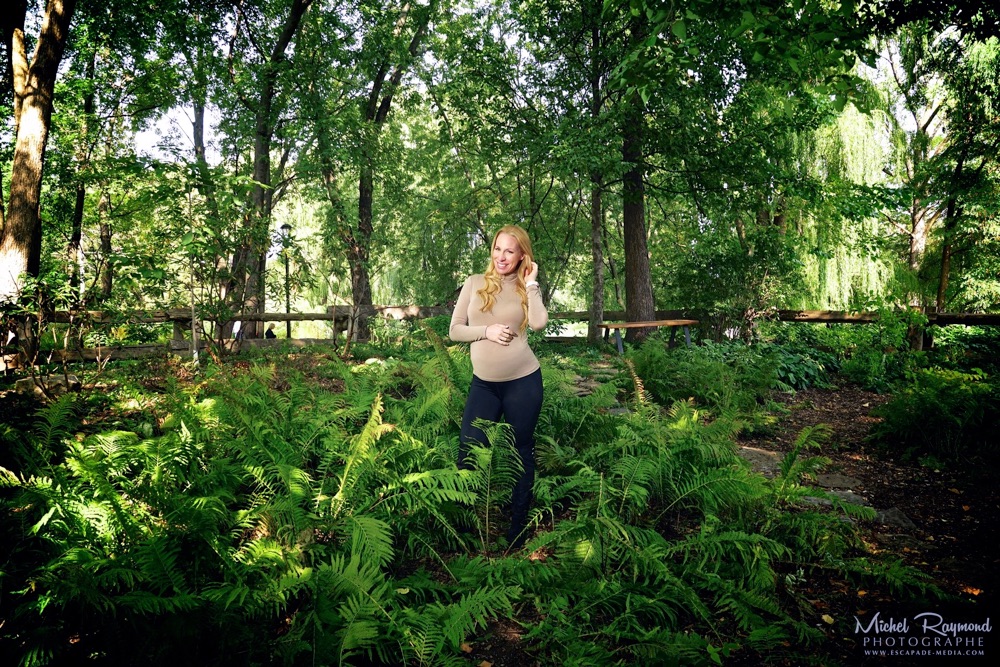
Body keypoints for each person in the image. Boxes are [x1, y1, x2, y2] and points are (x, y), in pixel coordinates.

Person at [449, 225, 548, 550]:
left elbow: (538, 324)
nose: (502, 256)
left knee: (520, 452)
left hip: (523, 382)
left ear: (522, 255)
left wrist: (532, 284)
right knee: (468, 450)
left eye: (510, 250)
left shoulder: (525, 287)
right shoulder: (475, 283)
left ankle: (517, 529)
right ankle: (465, 527)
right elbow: (455, 330)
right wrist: (486, 331)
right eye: (497, 249)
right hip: (484, 386)